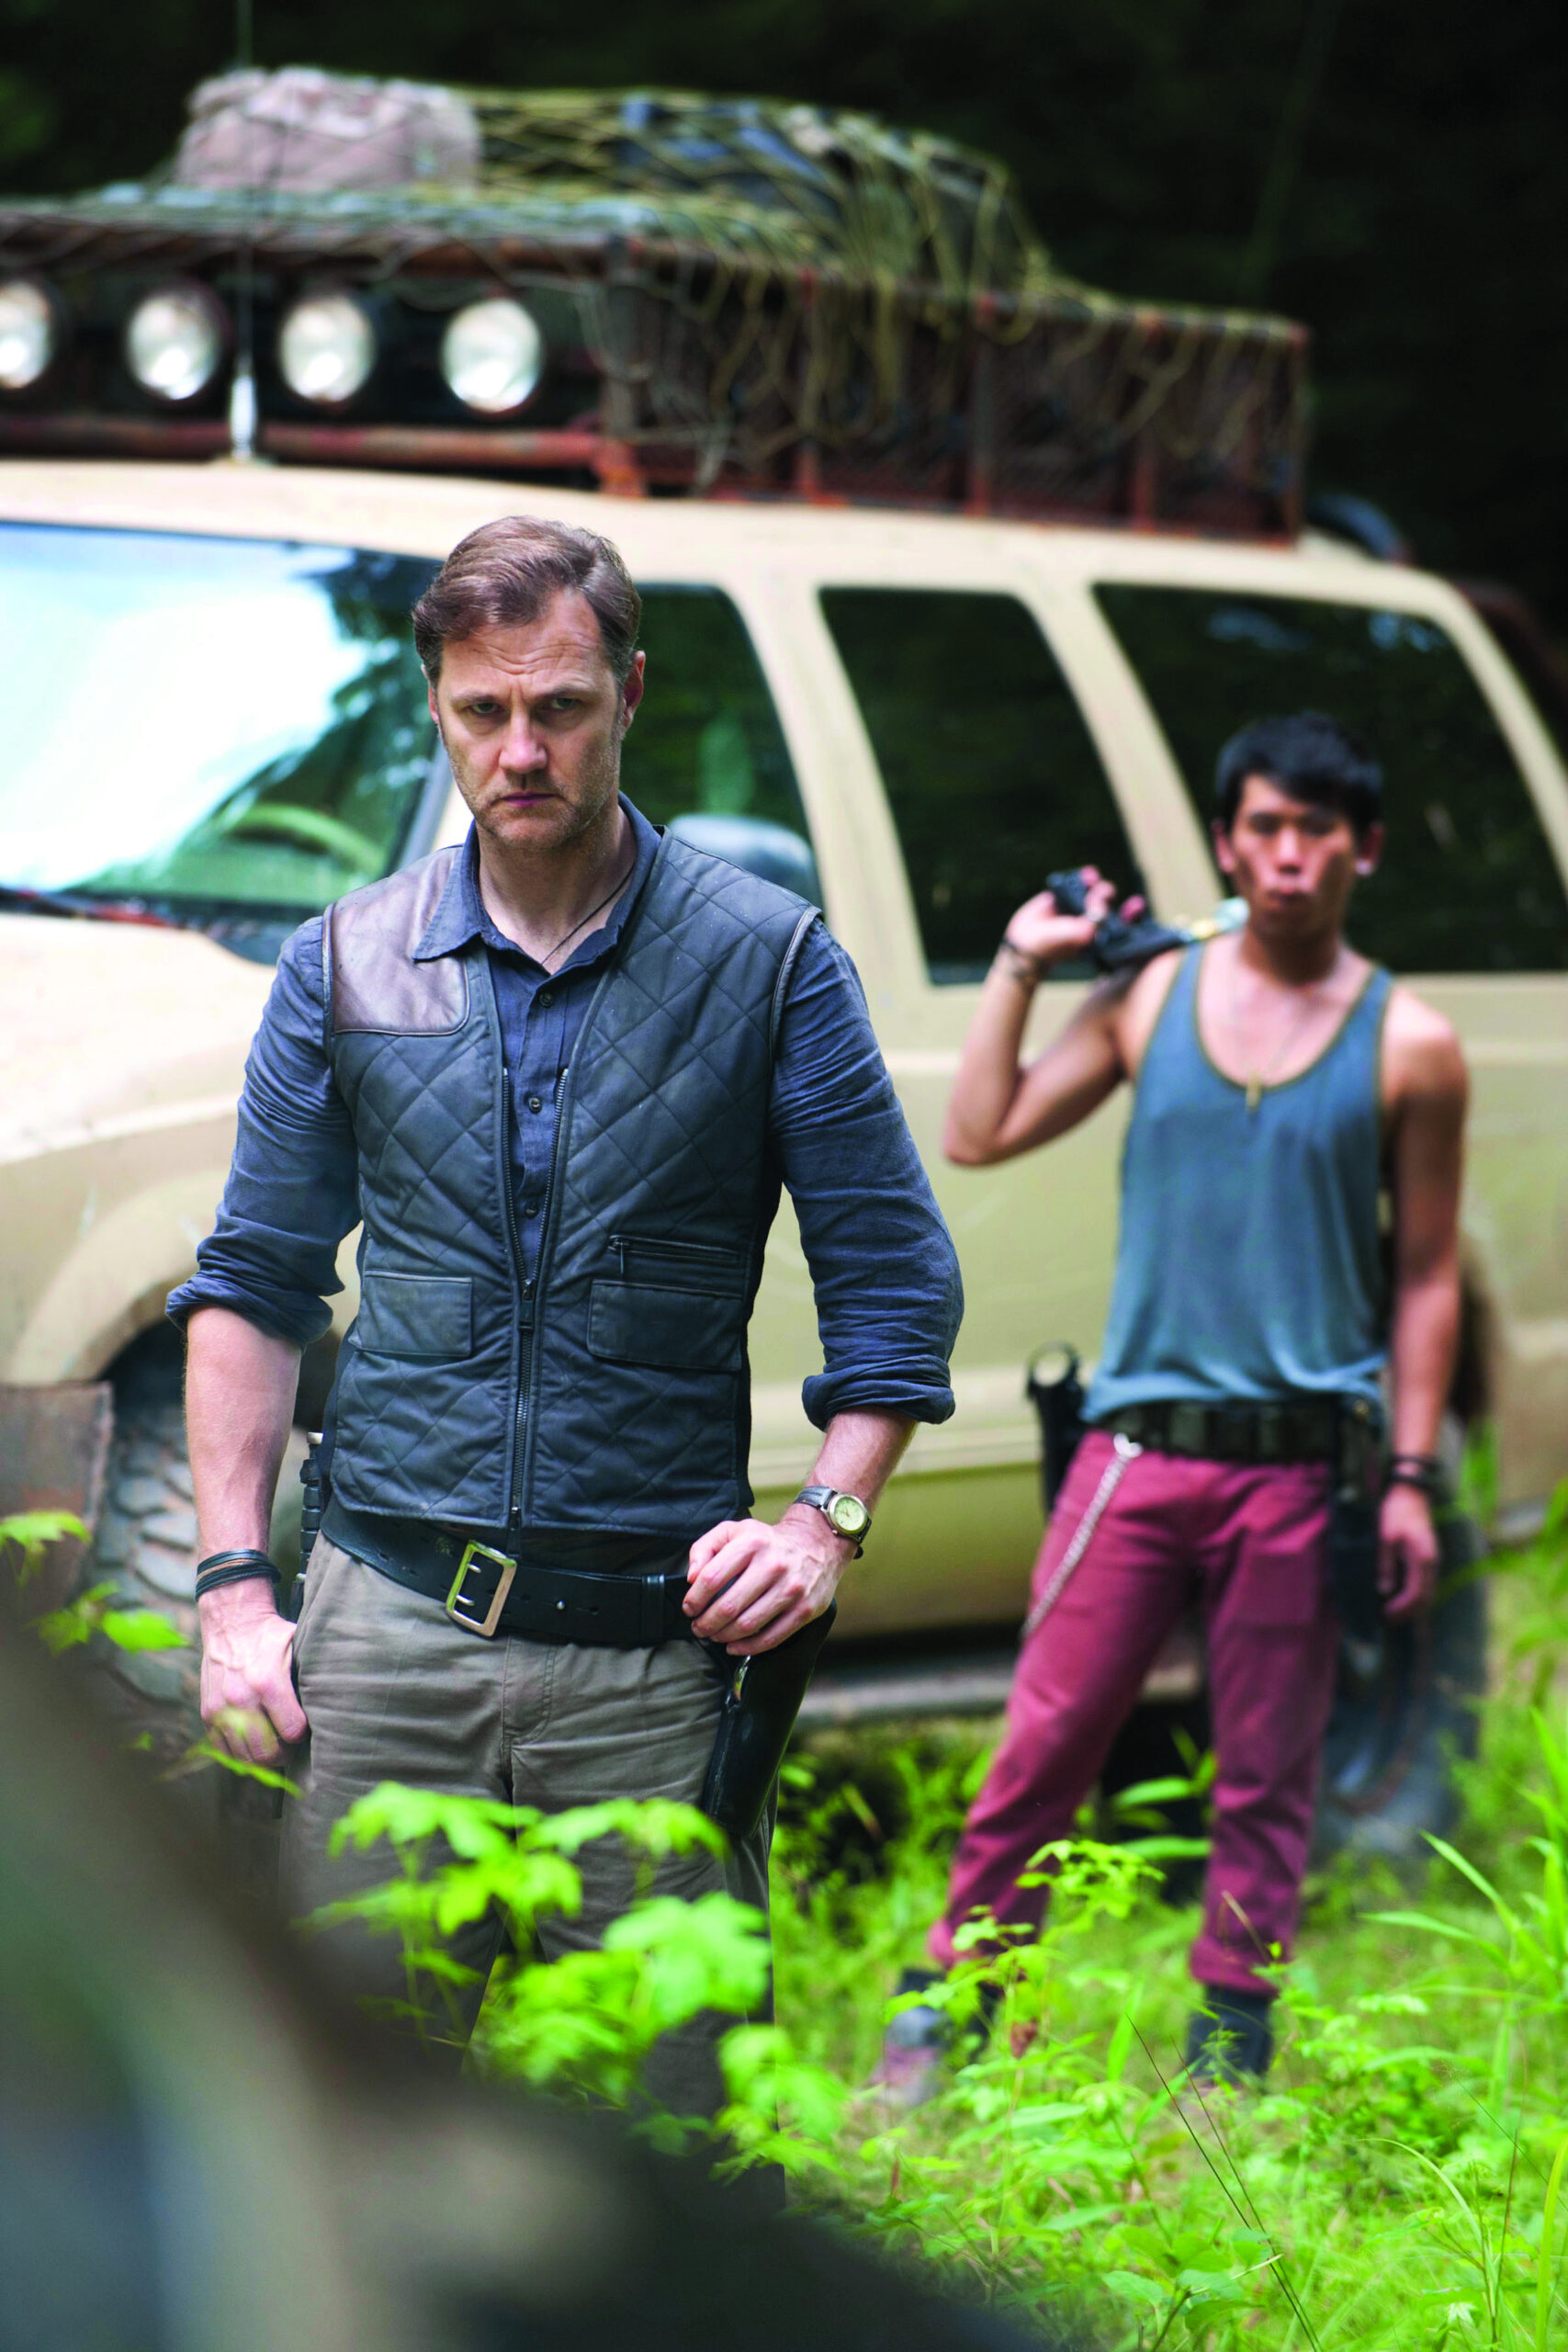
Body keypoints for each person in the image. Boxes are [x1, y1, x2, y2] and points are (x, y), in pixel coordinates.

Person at [171, 514, 963, 2112]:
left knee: (661, 2132)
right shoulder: (344, 964)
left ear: (630, 696)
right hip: (384, 1641)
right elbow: (252, 1284)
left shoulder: (770, 963)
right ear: (438, 708)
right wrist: (234, 1591)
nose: (520, 750)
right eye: (483, 711)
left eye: (561, 708)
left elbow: (894, 1287)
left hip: (651, 1662)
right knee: (347, 2129)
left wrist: (821, 1526)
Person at [877, 709, 1467, 2097]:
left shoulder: (1413, 1044)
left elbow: (1429, 1275)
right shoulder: (1149, 995)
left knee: (1267, 1770)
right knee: (1047, 1741)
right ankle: (950, 2010)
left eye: (1317, 830)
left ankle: (1229, 2054)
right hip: (1137, 1455)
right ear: (1226, 843)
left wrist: (1409, 1477)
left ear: (1364, 850)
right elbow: (980, 1129)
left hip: (1302, 1468)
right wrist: (1023, 963)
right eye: (1265, 827)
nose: (1290, 855)